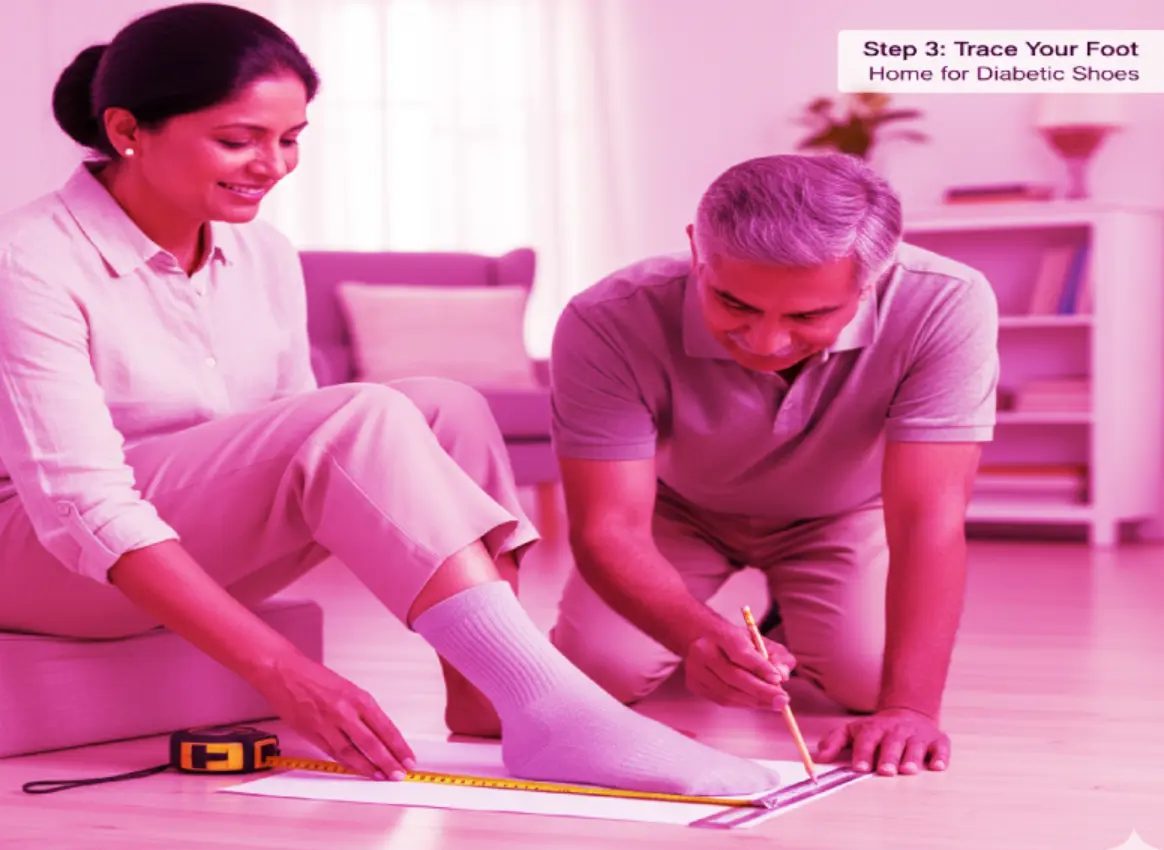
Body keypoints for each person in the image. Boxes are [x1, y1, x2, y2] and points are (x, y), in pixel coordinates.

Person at [0, 2, 779, 798]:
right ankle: (558, 708)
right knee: (359, 415)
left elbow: (283, 438)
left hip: (186, 535)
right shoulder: (27, 260)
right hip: (46, 559)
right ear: (127, 130)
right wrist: (281, 670)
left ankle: (494, 699)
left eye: (291, 139)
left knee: (445, 408)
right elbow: (82, 508)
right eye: (239, 140)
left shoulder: (261, 250)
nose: (273, 165)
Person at [546, 152, 1000, 777]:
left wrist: (910, 708)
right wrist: (694, 634)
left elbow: (928, 520)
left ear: (874, 279)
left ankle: (788, 617)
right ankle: (746, 626)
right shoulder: (606, 318)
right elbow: (608, 527)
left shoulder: (947, 301)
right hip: (677, 512)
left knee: (874, 680)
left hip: (843, 514)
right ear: (696, 250)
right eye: (733, 303)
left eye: (808, 315)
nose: (766, 342)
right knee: (600, 671)